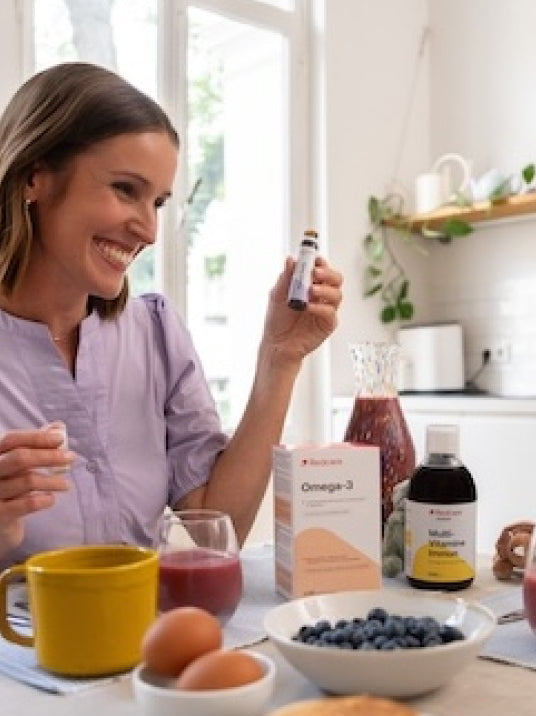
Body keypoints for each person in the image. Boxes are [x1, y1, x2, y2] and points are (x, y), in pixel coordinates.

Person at [0, 62, 342, 569]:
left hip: (141, 639)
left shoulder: (155, 333)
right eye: (125, 189)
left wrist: (280, 357)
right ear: (35, 177)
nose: (149, 230)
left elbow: (215, 534)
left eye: (158, 202)